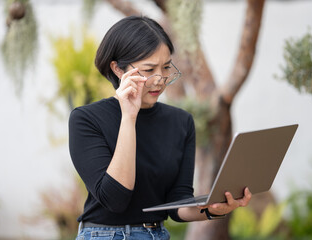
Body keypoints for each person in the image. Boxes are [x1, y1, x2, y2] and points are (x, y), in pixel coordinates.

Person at [69, 15, 252, 240]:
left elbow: (177, 203)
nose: (160, 79)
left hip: (157, 234)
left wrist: (211, 210)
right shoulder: (86, 119)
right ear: (118, 69)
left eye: (166, 67)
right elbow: (115, 199)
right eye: (148, 70)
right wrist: (129, 116)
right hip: (104, 235)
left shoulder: (181, 122)